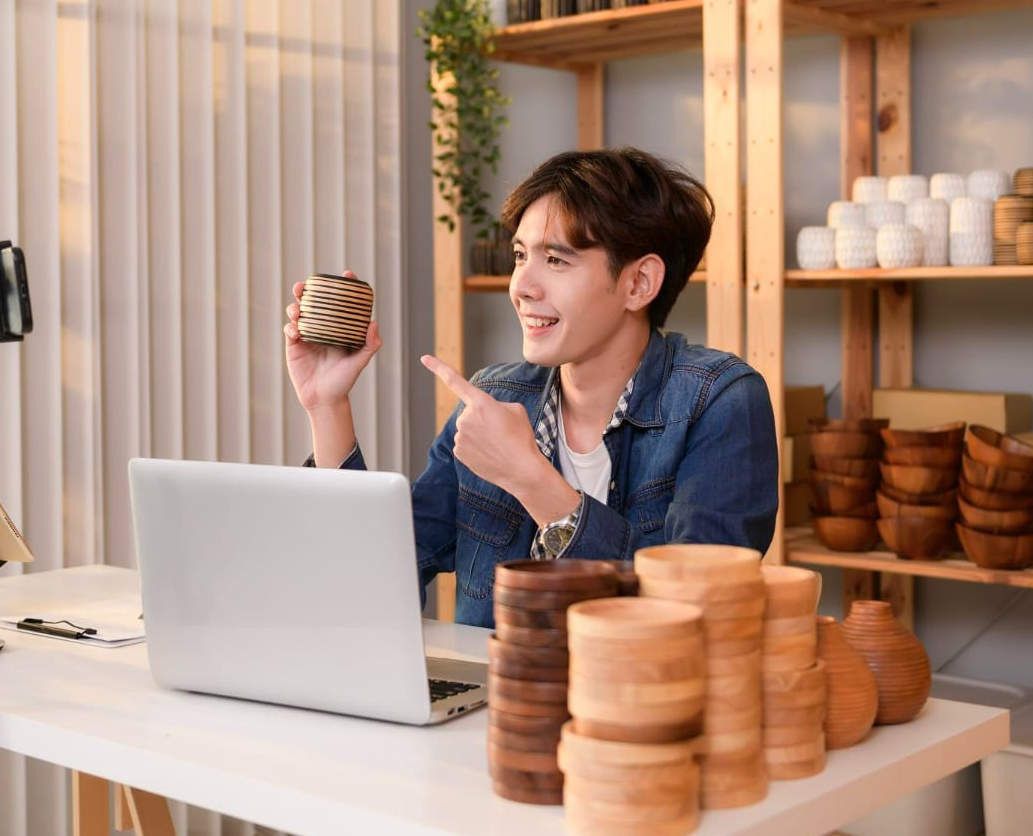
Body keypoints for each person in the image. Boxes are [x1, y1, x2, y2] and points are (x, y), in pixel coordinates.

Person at [284, 147, 778, 628]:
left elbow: (698, 614)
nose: (521, 285)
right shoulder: (494, 398)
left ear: (639, 283)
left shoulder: (719, 399)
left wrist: (531, 480)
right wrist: (328, 407)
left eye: (556, 260)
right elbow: (372, 588)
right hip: (497, 701)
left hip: (639, 706)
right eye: (521, 255)